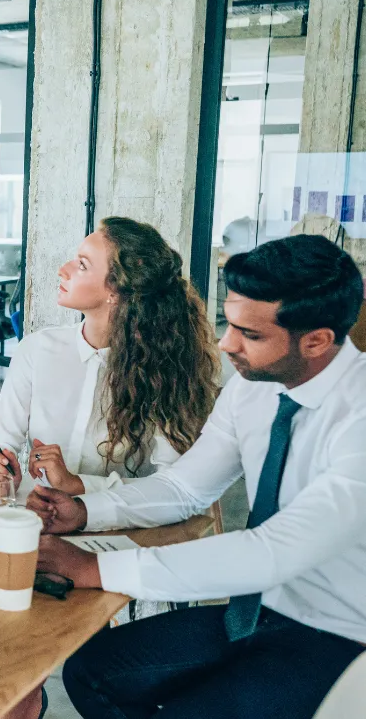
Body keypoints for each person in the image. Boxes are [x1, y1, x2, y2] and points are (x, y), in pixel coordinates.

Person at [31, 234, 366, 718]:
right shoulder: (253, 387)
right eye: (229, 324)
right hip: (258, 612)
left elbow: (272, 551)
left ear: (317, 341)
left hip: (342, 634)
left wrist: (93, 569)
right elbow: (186, 487)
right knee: (93, 671)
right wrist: (85, 510)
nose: (226, 344)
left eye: (250, 335)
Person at [0, 217, 221, 495]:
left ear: (116, 291)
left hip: (127, 528)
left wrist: (77, 485)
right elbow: (1, 440)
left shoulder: (166, 366)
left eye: (82, 265)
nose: (63, 270)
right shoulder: (36, 349)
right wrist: (1, 468)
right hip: (38, 516)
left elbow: (174, 485)